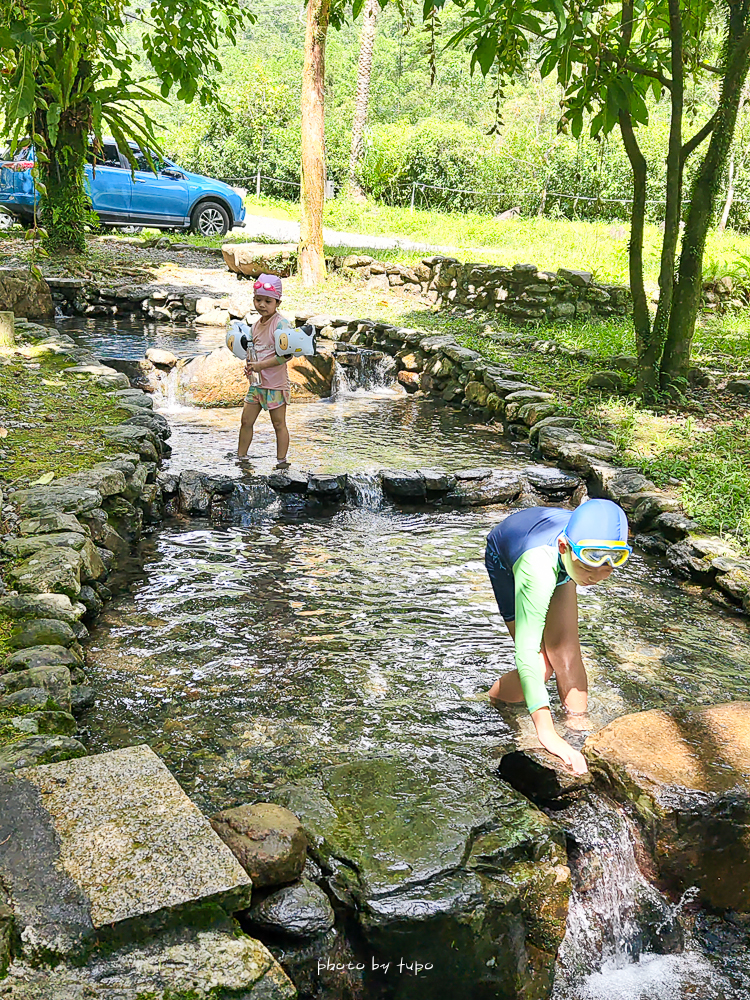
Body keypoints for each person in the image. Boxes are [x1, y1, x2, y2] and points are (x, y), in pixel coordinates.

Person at [484, 498, 631, 775]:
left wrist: (581, 740)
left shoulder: (585, 552)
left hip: (565, 559)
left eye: (606, 571)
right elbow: (525, 651)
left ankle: (578, 730)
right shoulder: (538, 568)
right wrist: (548, 734)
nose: (595, 578)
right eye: (588, 571)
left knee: (565, 654)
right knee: (541, 665)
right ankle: (495, 702)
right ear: (566, 548)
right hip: (510, 557)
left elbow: (583, 566)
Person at [237, 274, 291, 468]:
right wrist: (251, 366)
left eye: (268, 301)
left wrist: (260, 366)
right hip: (257, 384)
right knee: (246, 421)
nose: (262, 305)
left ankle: (281, 461)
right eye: (258, 299)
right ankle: (241, 458)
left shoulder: (281, 324)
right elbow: (253, 351)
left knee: (278, 424)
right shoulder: (255, 326)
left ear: (277, 302)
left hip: (275, 385)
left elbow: (286, 356)